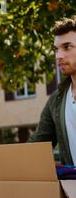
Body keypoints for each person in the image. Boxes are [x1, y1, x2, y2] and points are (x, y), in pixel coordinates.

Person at [29, 15, 76, 165]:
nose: (59, 56)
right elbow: (36, 147)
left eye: (67, 47)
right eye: (56, 49)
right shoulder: (57, 100)